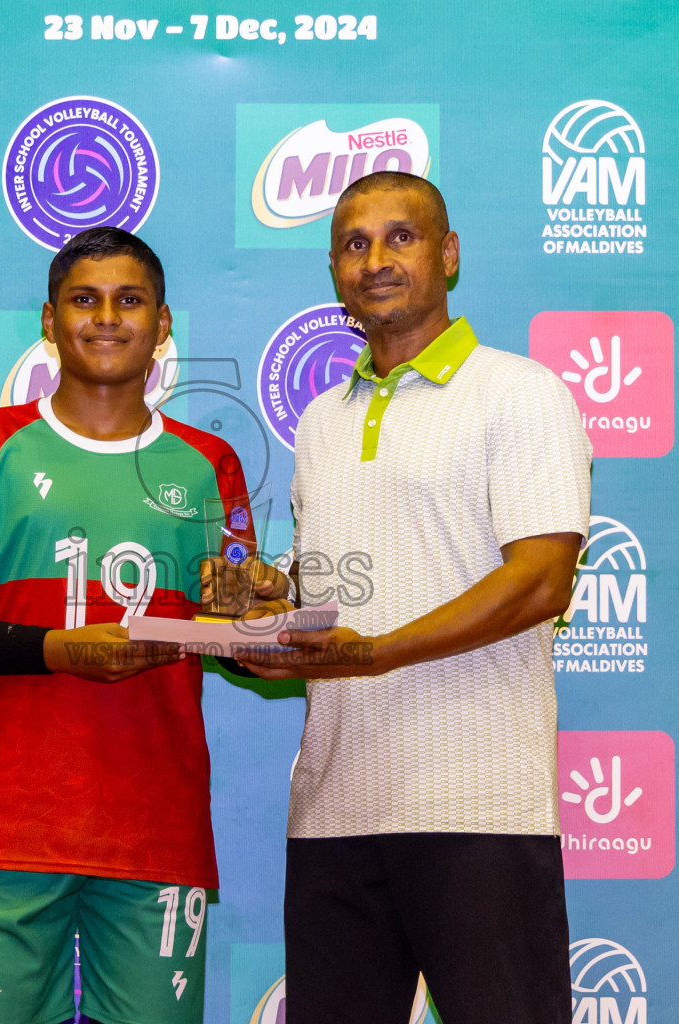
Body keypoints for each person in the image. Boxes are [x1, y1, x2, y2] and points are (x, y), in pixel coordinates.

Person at [237, 172, 592, 1024]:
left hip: (479, 807)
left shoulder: (521, 391)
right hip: (333, 811)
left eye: (402, 237)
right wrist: (267, 605)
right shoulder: (321, 418)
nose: (376, 261)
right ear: (333, 270)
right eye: (354, 244)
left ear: (450, 254)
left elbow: (540, 579)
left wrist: (376, 652)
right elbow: (339, 596)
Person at [0, 227, 256, 1024]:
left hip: (156, 830)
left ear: (163, 325)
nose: (107, 318)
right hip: (8, 828)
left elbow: (240, 645)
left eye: (131, 300)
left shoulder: (208, 464)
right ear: (49, 323)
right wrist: (57, 650)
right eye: (84, 300)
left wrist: (260, 617)